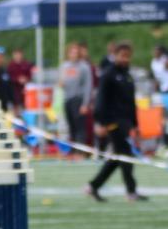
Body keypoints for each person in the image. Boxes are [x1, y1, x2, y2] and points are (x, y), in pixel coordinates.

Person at [86, 42, 146, 203]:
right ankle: (131, 191)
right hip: (112, 122)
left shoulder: (127, 76)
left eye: (128, 56)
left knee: (119, 157)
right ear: (116, 55)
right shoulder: (108, 74)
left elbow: (131, 103)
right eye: (122, 55)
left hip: (126, 122)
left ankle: (93, 186)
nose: (125, 59)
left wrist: (135, 125)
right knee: (126, 154)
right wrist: (101, 122)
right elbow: (100, 101)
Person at [59, 43, 95, 154]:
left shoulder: (84, 66)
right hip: (67, 99)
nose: (73, 54)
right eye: (71, 52)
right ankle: (73, 150)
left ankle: (81, 151)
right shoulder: (64, 66)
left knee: (80, 127)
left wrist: (85, 103)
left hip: (78, 99)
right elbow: (61, 81)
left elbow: (88, 85)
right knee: (71, 126)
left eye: (75, 52)